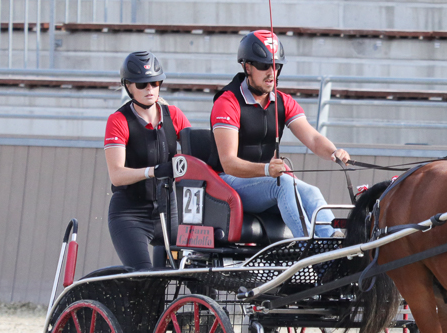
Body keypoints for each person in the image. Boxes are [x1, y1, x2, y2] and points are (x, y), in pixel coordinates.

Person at [210, 30, 350, 238]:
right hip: (229, 182)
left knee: (312, 192)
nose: (271, 73)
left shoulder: (283, 101)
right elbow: (229, 163)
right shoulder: (227, 103)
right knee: (283, 183)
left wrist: (334, 151)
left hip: (267, 179)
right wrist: (266, 169)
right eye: (263, 66)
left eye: (276, 66)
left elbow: (312, 138)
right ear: (247, 67)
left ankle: (332, 243)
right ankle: (307, 250)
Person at [104, 51, 191, 270]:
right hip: (130, 214)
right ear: (128, 86)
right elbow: (117, 175)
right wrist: (152, 171)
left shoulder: (174, 115)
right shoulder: (118, 120)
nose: (149, 89)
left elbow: (198, 152)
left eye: (154, 83)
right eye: (142, 85)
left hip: (167, 209)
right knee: (144, 277)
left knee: (196, 269)